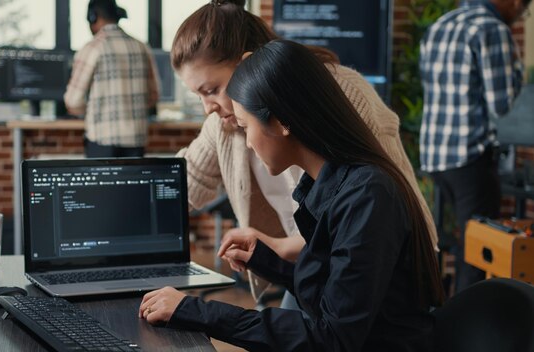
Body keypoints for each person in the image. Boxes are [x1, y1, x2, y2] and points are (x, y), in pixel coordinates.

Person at [139, 40, 444, 351]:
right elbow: (333, 294)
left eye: (246, 128)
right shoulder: (329, 184)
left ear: (282, 121)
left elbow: (331, 338)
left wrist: (197, 312)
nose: (247, 144)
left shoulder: (367, 196)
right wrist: (264, 260)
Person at [171, 0, 438, 308]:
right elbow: (186, 184)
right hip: (317, 260)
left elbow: (371, 214)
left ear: (248, 62)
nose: (208, 108)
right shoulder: (224, 122)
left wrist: (282, 247)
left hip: (386, 264)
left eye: (211, 90)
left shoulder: (339, 92)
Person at [419, 0, 529, 292]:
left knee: (446, 240)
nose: (521, 15)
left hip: (434, 154)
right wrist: (519, 72)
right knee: (478, 250)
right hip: (469, 157)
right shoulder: (492, 29)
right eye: (524, 7)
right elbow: (501, 103)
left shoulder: (440, 24)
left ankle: (439, 313)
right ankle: (467, 327)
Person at [64, 0, 159, 158]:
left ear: (93, 17)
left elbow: (73, 101)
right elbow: (153, 96)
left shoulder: (92, 48)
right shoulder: (142, 47)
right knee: (135, 183)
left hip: (102, 140)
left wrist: (90, 111)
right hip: (136, 140)